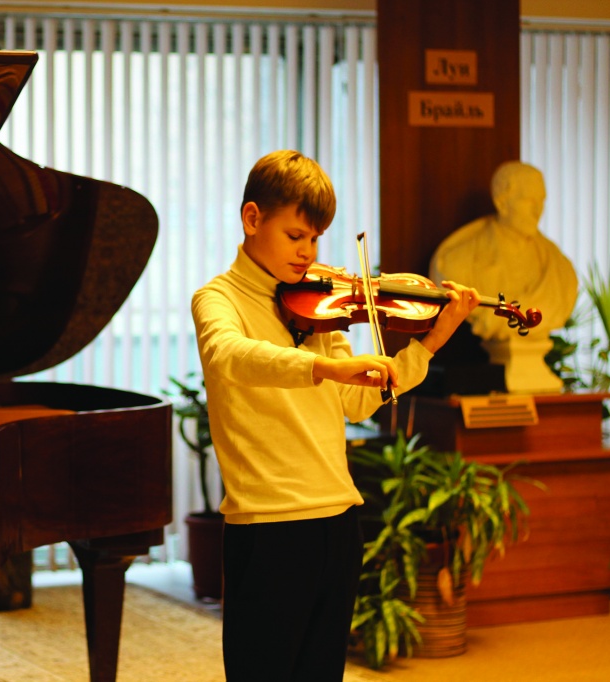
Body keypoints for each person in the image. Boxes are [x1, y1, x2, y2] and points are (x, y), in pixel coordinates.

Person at [191, 149, 479, 680]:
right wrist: (323, 368)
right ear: (253, 219)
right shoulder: (218, 299)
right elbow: (228, 357)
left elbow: (357, 398)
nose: (307, 252)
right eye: (295, 236)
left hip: (337, 520)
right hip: (269, 523)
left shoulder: (320, 306)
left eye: (316, 238)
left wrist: (431, 342)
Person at [429, 161, 578, 393]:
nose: (538, 210)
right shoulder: (457, 260)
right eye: (529, 200)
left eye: (542, 201)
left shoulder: (561, 268)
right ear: (501, 202)